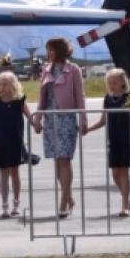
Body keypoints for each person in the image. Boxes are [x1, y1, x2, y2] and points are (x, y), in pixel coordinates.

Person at [32, 37, 87, 218]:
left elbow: (80, 96)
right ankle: (69, 196)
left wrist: (83, 120)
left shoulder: (74, 70)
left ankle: (63, 200)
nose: (48, 53)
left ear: (60, 51)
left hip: (67, 119)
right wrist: (38, 118)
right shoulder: (46, 70)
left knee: (65, 160)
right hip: (50, 119)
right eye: (48, 50)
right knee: (57, 161)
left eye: (51, 50)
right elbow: (43, 98)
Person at [86, 68, 130, 217]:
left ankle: (125, 205)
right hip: (114, 138)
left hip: (127, 138)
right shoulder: (108, 99)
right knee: (115, 173)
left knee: (123, 171)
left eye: (114, 82)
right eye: (109, 83)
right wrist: (88, 129)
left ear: (123, 83)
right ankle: (126, 197)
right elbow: (103, 120)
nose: (111, 85)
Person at [0, 72, 39, 218]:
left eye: (5, 84)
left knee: (15, 172)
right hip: (0, 142)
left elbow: (30, 117)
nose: (2, 87)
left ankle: (16, 203)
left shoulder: (20, 102)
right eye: (0, 84)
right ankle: (4, 205)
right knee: (3, 173)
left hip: (15, 141)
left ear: (13, 85)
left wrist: (36, 126)